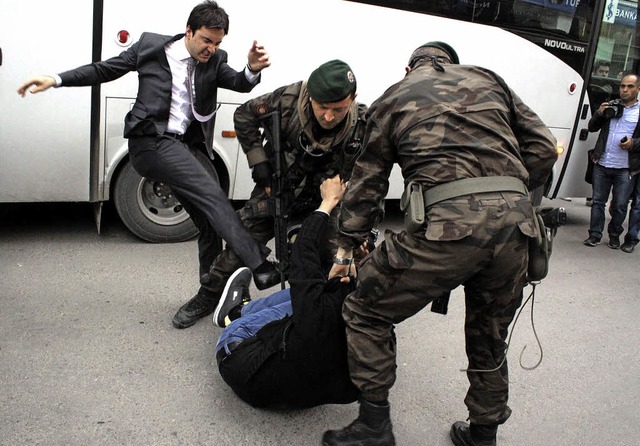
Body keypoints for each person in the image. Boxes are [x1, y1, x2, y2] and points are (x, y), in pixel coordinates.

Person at [321, 42, 557, 446]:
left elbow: (368, 185)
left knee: (364, 310)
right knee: (489, 332)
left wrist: (347, 247)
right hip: (518, 229)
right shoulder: (489, 79)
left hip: (446, 230)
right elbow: (542, 148)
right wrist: (505, 197)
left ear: (409, 67)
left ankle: (374, 426)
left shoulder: (394, 96)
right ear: (454, 65)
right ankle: (483, 435)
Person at [17, 0, 280, 328]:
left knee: (209, 220)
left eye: (217, 43)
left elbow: (240, 82)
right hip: (150, 144)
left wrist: (252, 68)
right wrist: (56, 79)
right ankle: (261, 266)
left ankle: (208, 294)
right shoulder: (151, 48)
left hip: (185, 146)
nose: (211, 49)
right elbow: (105, 69)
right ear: (188, 32)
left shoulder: (215, 60)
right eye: (206, 41)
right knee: (214, 195)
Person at [178, 59, 368, 328]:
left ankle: (326, 308)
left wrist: (354, 231)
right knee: (241, 243)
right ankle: (209, 295)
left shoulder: (362, 124)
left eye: (338, 109)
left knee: (337, 256)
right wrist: (260, 164)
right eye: (322, 107)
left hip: (327, 201)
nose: (328, 117)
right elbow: (244, 114)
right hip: (277, 189)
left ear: (353, 98)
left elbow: (370, 183)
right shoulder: (289, 100)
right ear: (311, 97)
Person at [214, 175, 375, 409]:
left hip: (239, 367)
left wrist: (328, 202)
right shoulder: (377, 327)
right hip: (301, 398)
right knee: (304, 302)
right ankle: (241, 311)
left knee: (297, 301)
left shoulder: (315, 307)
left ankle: (236, 313)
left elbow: (304, 251)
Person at [583, 73, 640, 249]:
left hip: (625, 168)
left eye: (630, 86)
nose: (625, 90)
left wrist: (633, 143)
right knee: (598, 202)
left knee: (620, 205)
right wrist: (600, 114)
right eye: (622, 86)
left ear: (638, 89)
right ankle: (594, 235)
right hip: (602, 162)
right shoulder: (612, 106)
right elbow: (592, 127)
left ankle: (614, 235)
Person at [621, 172, 640, 253]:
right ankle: (614, 233)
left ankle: (631, 239)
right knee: (621, 201)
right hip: (629, 167)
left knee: (638, 204)